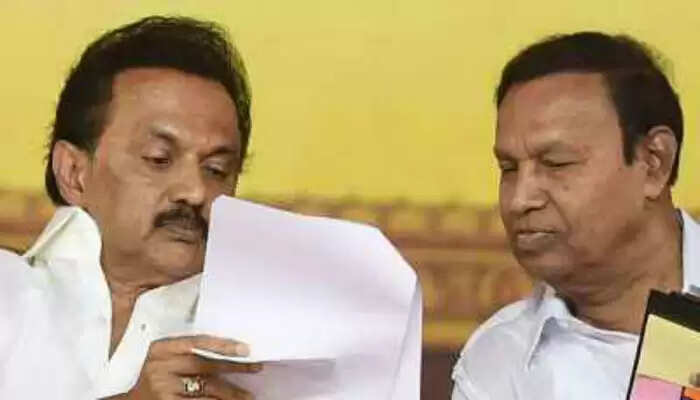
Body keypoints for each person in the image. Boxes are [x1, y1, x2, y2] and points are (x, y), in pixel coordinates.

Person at [22, 16, 262, 399]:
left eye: (216, 170)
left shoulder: (262, 348)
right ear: (74, 173)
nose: (195, 191)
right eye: (159, 159)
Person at [451, 32, 699, 400]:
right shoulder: (499, 362)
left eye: (556, 163)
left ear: (653, 163)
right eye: (509, 169)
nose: (520, 200)